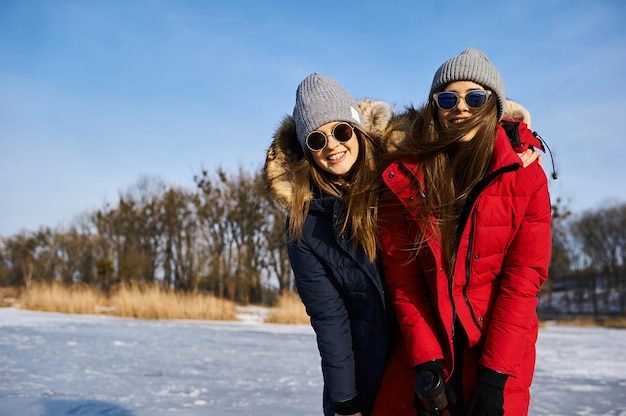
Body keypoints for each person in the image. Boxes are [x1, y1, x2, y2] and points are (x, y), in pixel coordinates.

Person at [372, 48, 552, 415]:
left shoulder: (526, 175)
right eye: (448, 98)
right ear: (435, 108)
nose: (461, 108)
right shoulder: (403, 177)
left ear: (493, 106)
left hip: (497, 354)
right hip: (425, 352)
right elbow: (404, 283)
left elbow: (523, 280)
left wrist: (494, 378)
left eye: (474, 97)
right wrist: (426, 363)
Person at [263, 73, 392, 416]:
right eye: (317, 139)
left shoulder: (399, 177)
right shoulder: (304, 223)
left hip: (428, 360)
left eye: (341, 131)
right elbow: (329, 317)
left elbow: (459, 134)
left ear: (359, 130)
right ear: (307, 152)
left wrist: (516, 137)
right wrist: (345, 400)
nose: (332, 145)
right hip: (364, 370)